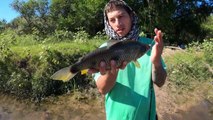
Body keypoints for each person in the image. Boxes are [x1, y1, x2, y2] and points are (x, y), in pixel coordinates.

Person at [88, 0, 167, 120]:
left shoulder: (149, 46)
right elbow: (103, 89)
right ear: (108, 23)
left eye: (121, 16)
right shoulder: (103, 50)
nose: (118, 23)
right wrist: (111, 70)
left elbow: (160, 82)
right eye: (112, 20)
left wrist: (156, 60)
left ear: (131, 16)